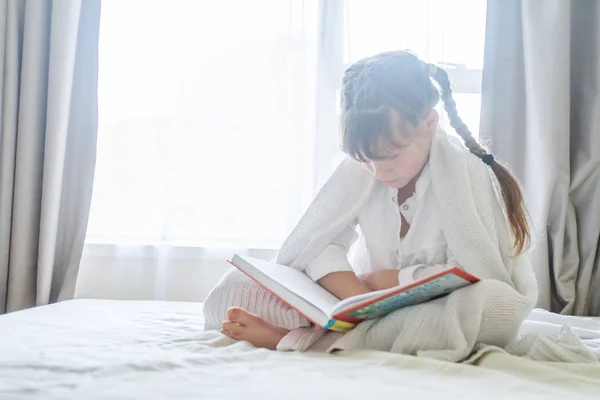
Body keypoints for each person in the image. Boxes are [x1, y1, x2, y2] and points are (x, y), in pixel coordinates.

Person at [202, 50, 538, 356]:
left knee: (486, 308)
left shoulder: (465, 174)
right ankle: (351, 332)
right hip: (366, 299)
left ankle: (292, 340)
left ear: (429, 124)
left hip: (435, 303)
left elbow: (476, 271)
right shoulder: (361, 171)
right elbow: (315, 244)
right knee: (234, 288)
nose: (379, 171)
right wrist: (351, 293)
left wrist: (392, 280)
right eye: (365, 159)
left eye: (390, 156)